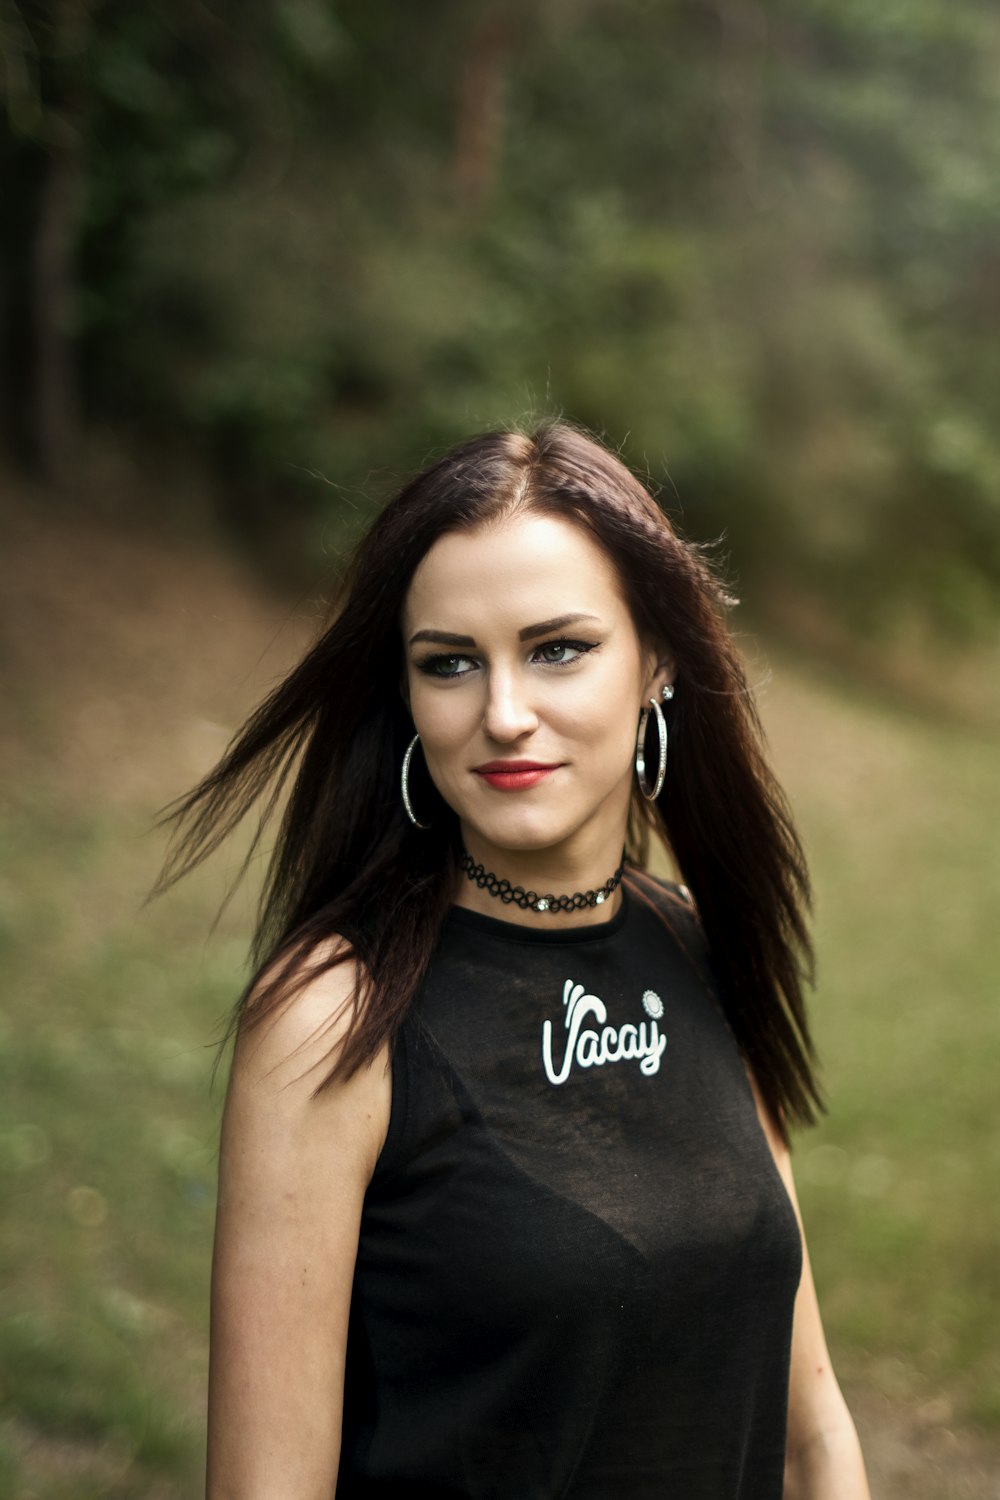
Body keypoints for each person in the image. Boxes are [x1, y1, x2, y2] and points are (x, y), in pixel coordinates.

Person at [159, 420, 872, 1498]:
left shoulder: (699, 944)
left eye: (558, 649)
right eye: (449, 664)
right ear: (406, 699)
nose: (501, 714)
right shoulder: (331, 1019)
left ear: (658, 662)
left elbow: (811, 1430)